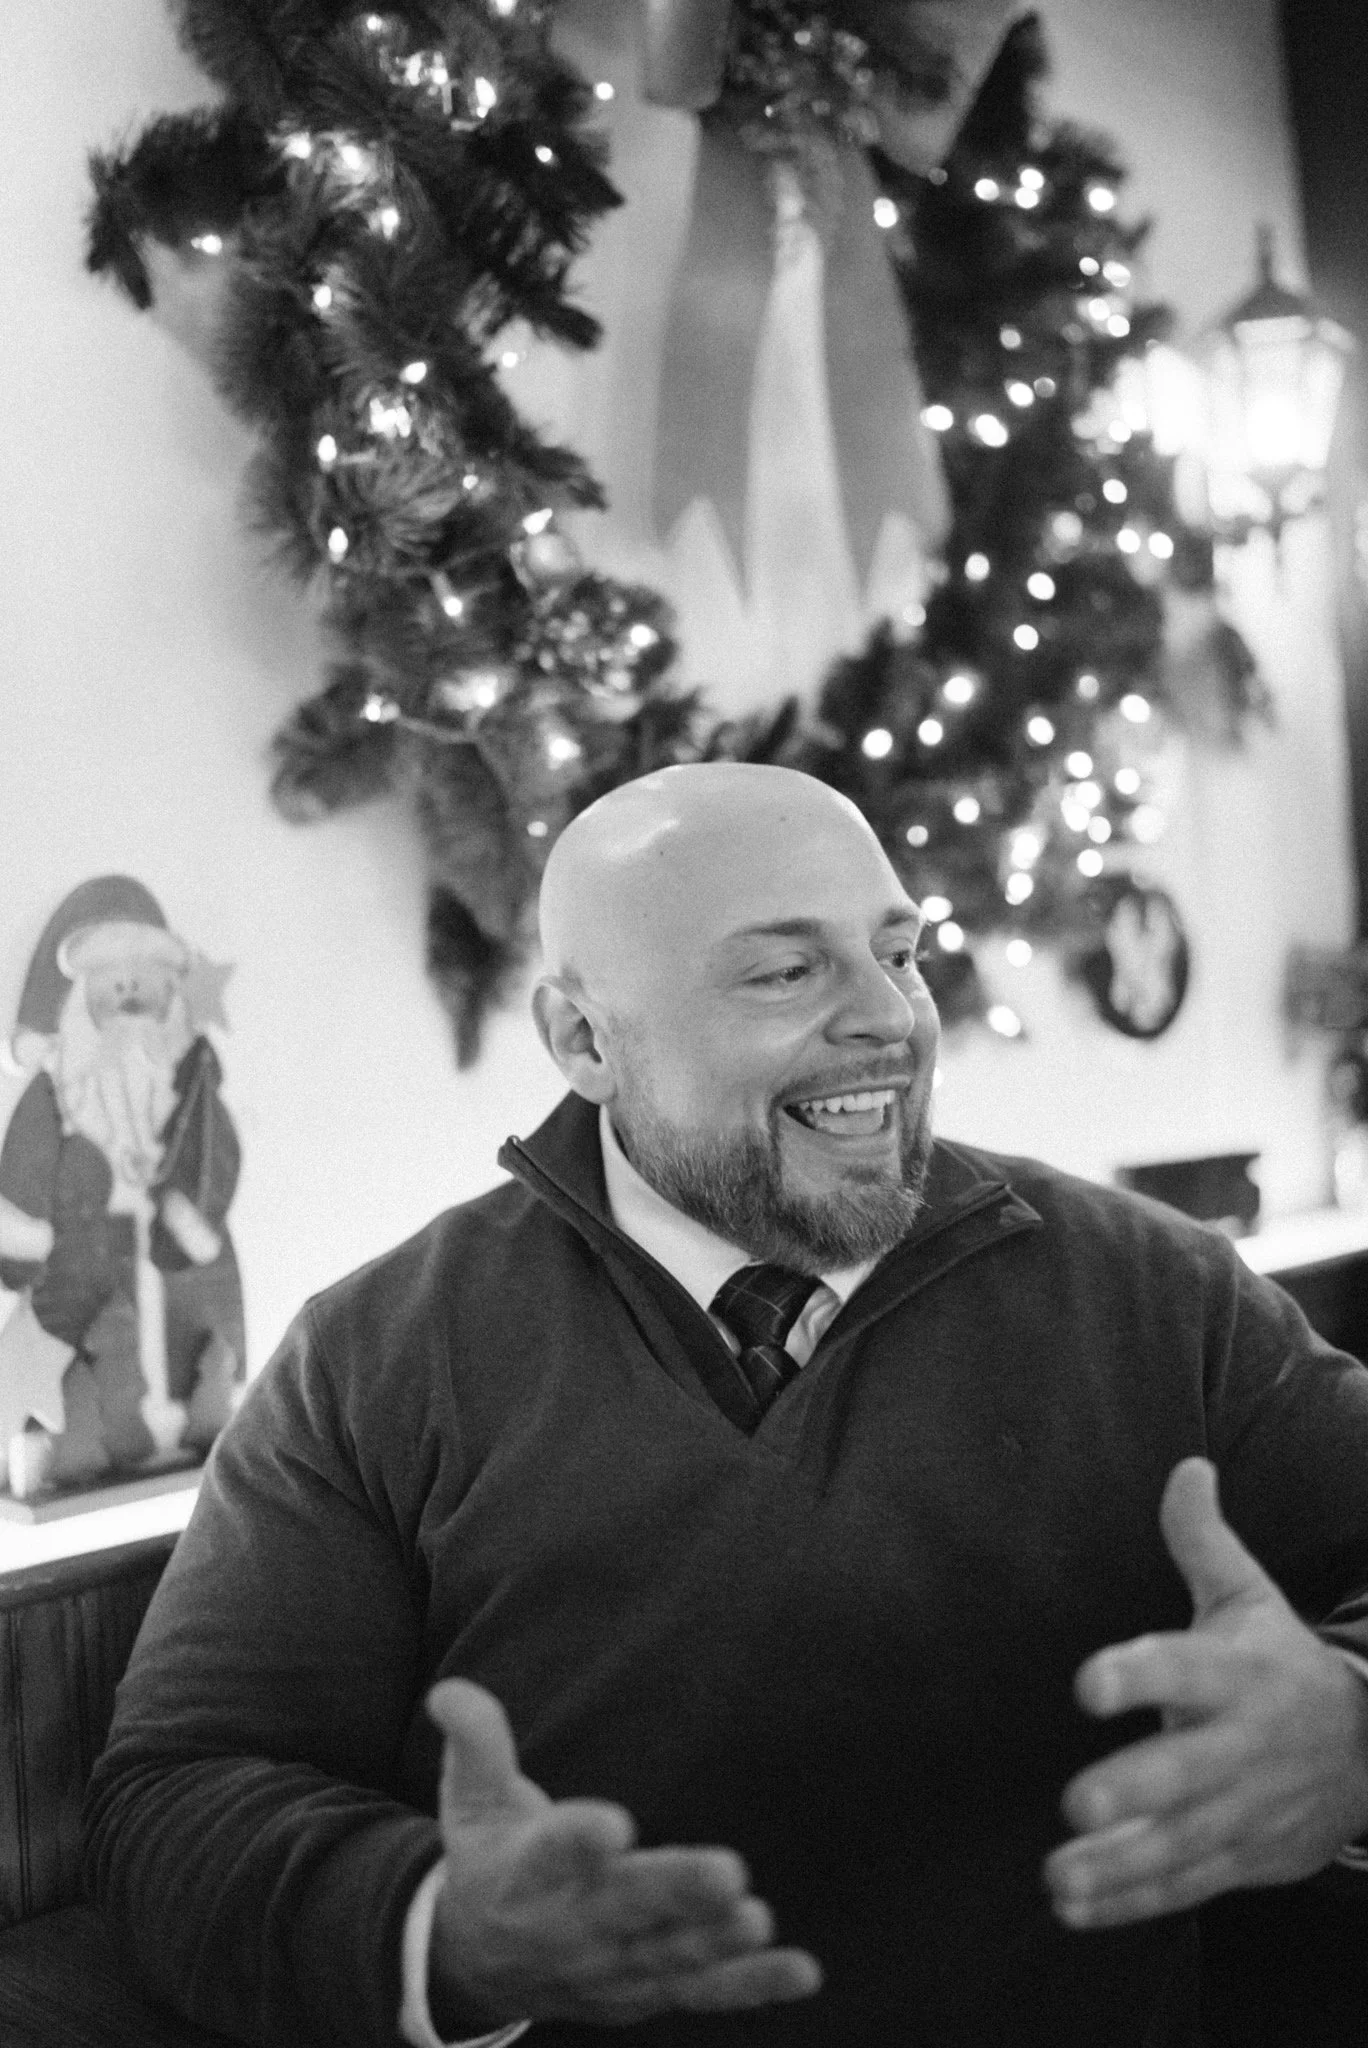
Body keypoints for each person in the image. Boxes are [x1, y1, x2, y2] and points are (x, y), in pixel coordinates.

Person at [86, 763, 1368, 2048]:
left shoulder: (1159, 1291)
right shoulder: (376, 1355)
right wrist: (441, 1930)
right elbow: (180, 1794)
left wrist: (1352, 1724)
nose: (892, 1018)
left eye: (900, 953)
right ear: (585, 1042)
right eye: (786, 971)